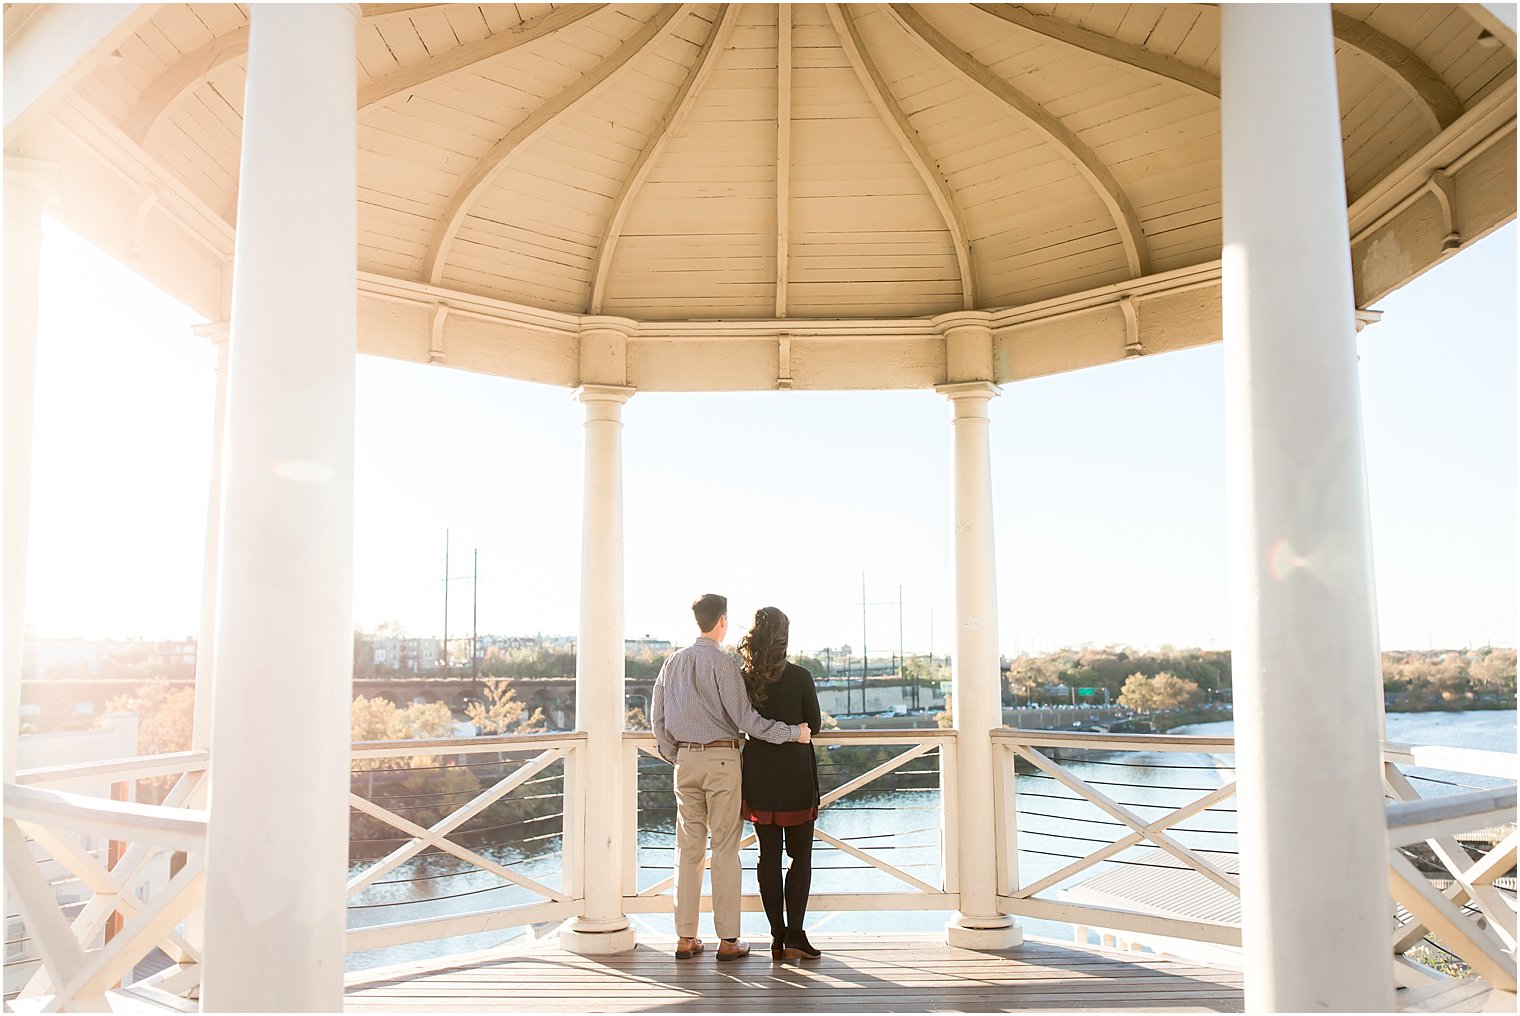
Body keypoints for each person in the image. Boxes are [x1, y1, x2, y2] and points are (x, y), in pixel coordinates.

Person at [651, 593, 811, 962]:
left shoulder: (670, 664)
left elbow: (658, 723)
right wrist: (793, 734)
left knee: (688, 851)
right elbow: (748, 721)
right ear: (721, 621)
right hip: (722, 760)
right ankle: (727, 940)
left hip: (685, 762)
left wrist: (679, 756)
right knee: (724, 849)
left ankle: (685, 938)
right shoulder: (723, 666)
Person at [737, 606, 824, 961]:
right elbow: (813, 726)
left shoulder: (743, 678)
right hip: (795, 775)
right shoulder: (801, 676)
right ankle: (795, 934)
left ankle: (775, 936)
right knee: (800, 856)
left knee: (767, 857)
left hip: (758, 774)